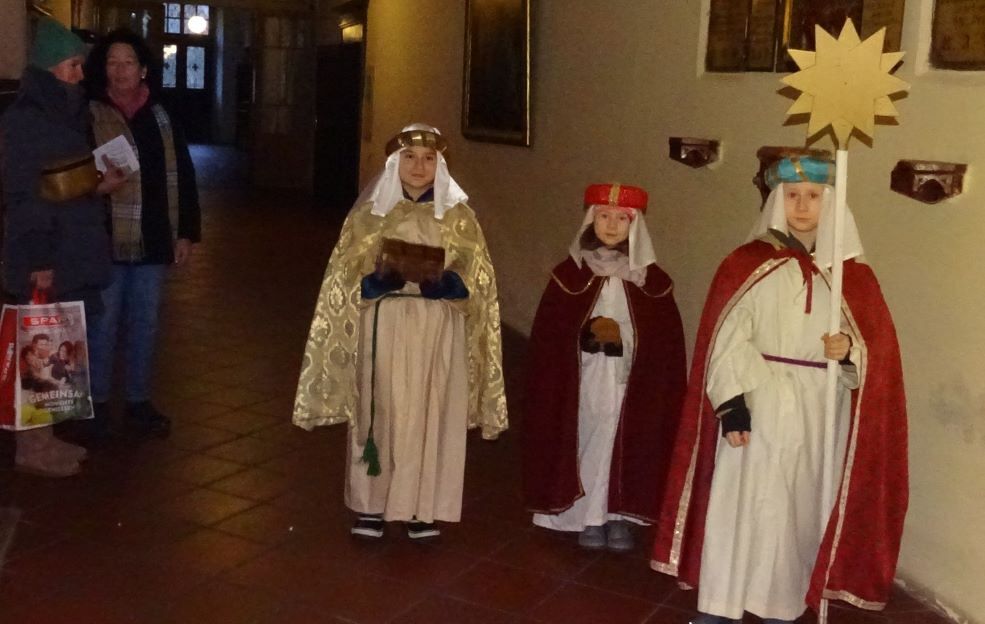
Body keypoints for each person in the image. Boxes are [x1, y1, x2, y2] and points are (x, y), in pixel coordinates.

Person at [650, 157, 908, 622]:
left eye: (813, 197)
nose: (802, 206)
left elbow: (877, 357)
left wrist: (848, 351)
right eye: (792, 196)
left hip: (817, 408)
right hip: (759, 398)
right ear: (776, 201)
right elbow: (727, 339)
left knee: (798, 509)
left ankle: (780, 604)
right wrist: (733, 405)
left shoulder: (851, 275)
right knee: (740, 502)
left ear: (831, 203)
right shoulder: (746, 264)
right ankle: (721, 603)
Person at [293, 123, 507, 540]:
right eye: (409, 157)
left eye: (429, 159)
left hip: (436, 327)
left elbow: (479, 279)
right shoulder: (369, 216)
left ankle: (421, 507)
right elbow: (341, 279)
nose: (419, 166)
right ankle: (370, 504)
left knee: (431, 409)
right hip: (383, 323)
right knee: (378, 408)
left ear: (440, 165)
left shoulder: (459, 217)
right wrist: (373, 283)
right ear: (394, 163)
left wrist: (450, 285)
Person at [522, 183, 686, 551]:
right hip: (583, 379)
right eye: (603, 216)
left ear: (635, 224)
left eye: (621, 219)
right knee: (587, 438)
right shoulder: (569, 276)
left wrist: (625, 339)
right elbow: (550, 338)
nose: (611, 225)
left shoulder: (653, 282)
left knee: (622, 443)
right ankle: (587, 517)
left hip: (630, 381)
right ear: (590, 220)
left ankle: (617, 516)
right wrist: (585, 336)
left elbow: (664, 345)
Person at [2, 17, 126, 476]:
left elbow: (60, 182)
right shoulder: (25, 121)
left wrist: (97, 186)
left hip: (71, 248)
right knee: (39, 350)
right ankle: (31, 448)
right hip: (46, 254)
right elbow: (24, 197)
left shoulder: (62, 113)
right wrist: (37, 259)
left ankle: (47, 436)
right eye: (73, 65)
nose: (79, 74)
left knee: (59, 349)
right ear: (51, 67)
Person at [84, 28, 201, 437]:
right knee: (103, 324)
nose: (120, 71)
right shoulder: (88, 113)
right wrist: (96, 184)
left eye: (128, 62)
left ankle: (138, 401)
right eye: (112, 63)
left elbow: (183, 174)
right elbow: (72, 174)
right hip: (104, 237)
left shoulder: (161, 115)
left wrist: (184, 233)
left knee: (145, 323)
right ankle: (96, 404)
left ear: (144, 69)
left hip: (152, 235)